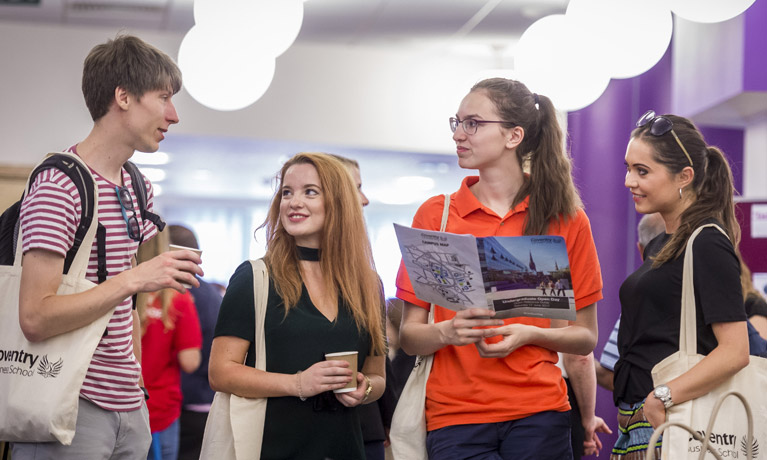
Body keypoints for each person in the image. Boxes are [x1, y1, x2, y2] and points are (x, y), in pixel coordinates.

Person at [13, 34, 202, 459]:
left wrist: (135, 385)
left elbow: (126, 310)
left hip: (131, 406)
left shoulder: (138, 186)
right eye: (164, 97)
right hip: (70, 402)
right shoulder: (59, 184)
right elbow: (35, 317)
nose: (173, 115)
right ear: (123, 97)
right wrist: (137, 277)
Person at [395, 78, 603, 460]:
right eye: (456, 122)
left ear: (514, 136)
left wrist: (529, 334)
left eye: (473, 122)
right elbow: (410, 336)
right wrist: (446, 331)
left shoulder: (566, 218)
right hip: (454, 418)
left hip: (540, 413)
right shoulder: (435, 215)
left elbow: (585, 337)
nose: (459, 133)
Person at [208, 152, 387, 459]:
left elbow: (377, 375)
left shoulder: (368, 284)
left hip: (344, 447)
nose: (294, 202)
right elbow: (220, 372)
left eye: (310, 192)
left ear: (340, 203)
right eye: (287, 192)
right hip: (273, 446)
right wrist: (298, 383)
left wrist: (364, 388)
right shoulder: (255, 277)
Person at [613, 110, 750, 458]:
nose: (629, 181)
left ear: (684, 176)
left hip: (674, 419)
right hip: (640, 419)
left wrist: (663, 395)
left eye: (642, 171)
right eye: (629, 168)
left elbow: (735, 350)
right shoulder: (664, 243)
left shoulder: (706, 242)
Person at [330, 153, 397, 460]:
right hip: (297, 428)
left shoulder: (368, 280)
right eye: (356, 187)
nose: (365, 200)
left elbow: (377, 362)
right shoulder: (272, 278)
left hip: (362, 426)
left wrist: (387, 417)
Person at [137, 229, 202, 460]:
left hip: (120, 405)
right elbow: (190, 361)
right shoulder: (178, 297)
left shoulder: (119, 289)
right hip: (161, 410)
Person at [169, 225, 224, 460]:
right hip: (205, 401)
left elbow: (189, 360)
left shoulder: (181, 295)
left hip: (186, 403)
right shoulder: (209, 293)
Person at [595, 212, 665, 392]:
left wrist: (573, 353)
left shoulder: (640, 297)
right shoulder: (699, 286)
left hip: (649, 413)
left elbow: (612, 377)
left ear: (641, 250)